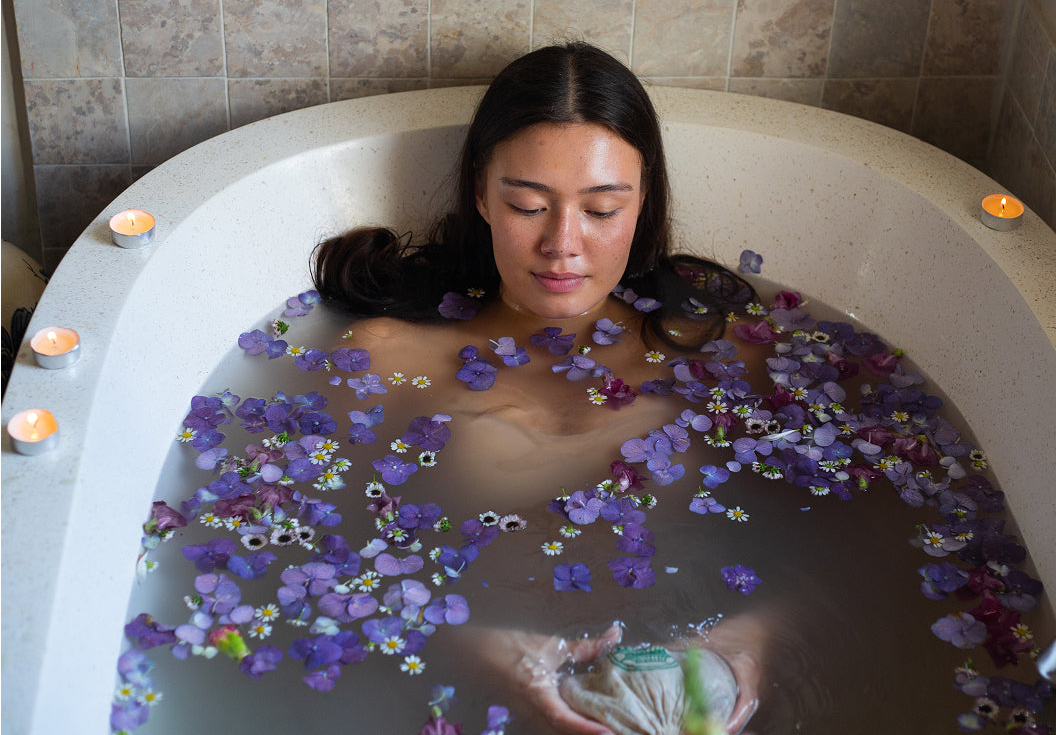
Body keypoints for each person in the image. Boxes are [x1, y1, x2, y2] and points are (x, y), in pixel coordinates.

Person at [313, 43, 768, 734]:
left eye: (602, 210)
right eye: (528, 205)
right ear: (480, 194)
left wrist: (752, 638)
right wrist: (472, 644)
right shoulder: (384, 355)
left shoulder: (720, 350)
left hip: (692, 692)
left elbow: (823, 558)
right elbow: (329, 552)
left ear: (642, 205)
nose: (563, 243)